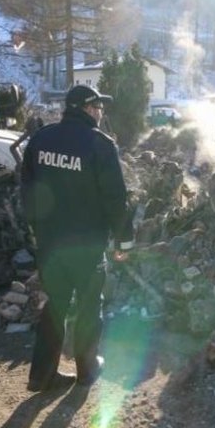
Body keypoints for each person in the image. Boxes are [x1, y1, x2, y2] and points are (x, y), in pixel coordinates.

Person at [21, 85, 134, 392]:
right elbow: (116, 199)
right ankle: (86, 370)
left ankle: (40, 375)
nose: (101, 112)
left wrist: (35, 229)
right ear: (86, 108)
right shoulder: (100, 144)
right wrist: (123, 241)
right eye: (98, 106)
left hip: (50, 246)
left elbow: (27, 190)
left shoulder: (41, 139)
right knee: (88, 306)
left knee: (54, 305)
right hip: (86, 246)